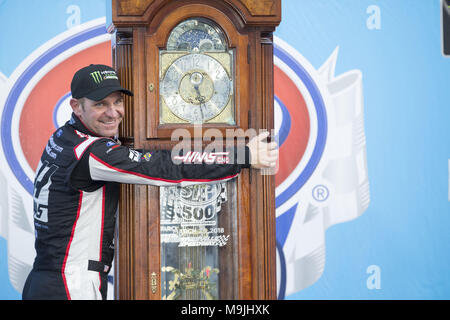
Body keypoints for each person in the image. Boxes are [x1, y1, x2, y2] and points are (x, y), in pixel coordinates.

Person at [21, 64, 278, 300]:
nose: (113, 113)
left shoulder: (64, 137)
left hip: (51, 278)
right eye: (101, 104)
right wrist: (243, 155)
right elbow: (164, 166)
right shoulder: (91, 153)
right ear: (76, 106)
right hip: (69, 286)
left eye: (118, 102)